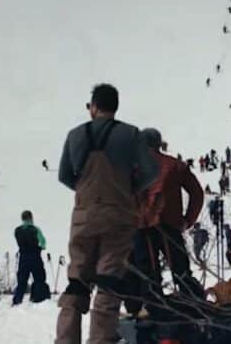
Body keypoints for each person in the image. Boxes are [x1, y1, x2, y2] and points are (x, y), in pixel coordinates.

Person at [55, 83, 159, 344]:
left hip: (84, 216)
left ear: (94, 107)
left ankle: (66, 339)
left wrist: (86, 193)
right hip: (119, 215)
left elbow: (64, 175)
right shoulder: (131, 134)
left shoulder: (75, 135)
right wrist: (128, 190)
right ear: (115, 106)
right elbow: (151, 172)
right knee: (109, 280)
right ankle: (100, 340)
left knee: (77, 280)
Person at [131, 128, 204, 311]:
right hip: (169, 225)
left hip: (140, 227)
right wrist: (188, 220)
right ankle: (194, 307)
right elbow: (197, 193)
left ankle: (154, 312)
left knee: (148, 273)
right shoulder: (175, 165)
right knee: (180, 270)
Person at [13, 210, 48, 305]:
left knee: (22, 280)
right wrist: (41, 247)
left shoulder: (17, 230)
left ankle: (17, 300)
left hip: (23, 257)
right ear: (31, 218)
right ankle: (38, 298)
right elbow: (43, 242)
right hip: (35, 256)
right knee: (39, 278)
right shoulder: (35, 229)